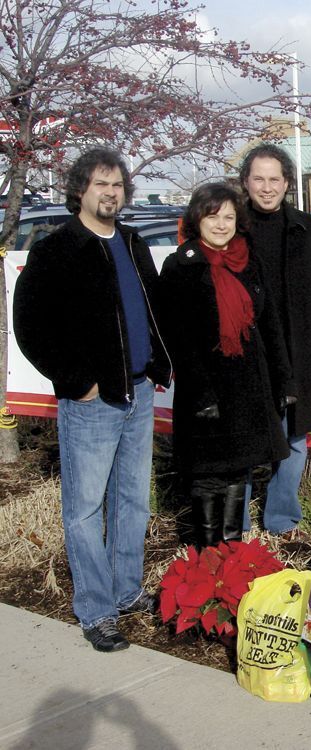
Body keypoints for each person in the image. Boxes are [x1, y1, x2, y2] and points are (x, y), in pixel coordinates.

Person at [13, 147, 172, 652]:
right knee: (84, 510)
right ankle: (97, 610)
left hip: (139, 391)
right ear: (80, 190)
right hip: (92, 401)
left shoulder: (131, 240)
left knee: (131, 501)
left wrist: (159, 364)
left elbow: (152, 308)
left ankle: (126, 592)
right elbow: (30, 325)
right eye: (101, 184)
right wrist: (76, 380)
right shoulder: (57, 249)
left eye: (118, 185)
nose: (111, 193)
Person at [158, 182, 295, 548]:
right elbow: (177, 337)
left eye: (229, 217)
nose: (221, 224)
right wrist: (201, 392)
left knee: (237, 472)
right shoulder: (180, 266)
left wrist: (283, 380)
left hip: (247, 387)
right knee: (206, 476)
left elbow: (270, 326)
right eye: (213, 216)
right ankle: (205, 555)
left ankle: (232, 553)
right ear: (196, 219)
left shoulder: (249, 261)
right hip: (205, 390)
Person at [239, 144, 311, 536]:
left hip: (298, 358)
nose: (267, 188)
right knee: (245, 443)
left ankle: (281, 521)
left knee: (295, 440)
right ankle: (238, 526)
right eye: (258, 179)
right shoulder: (229, 229)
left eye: (274, 179)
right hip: (247, 359)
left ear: (287, 183)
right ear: (246, 182)